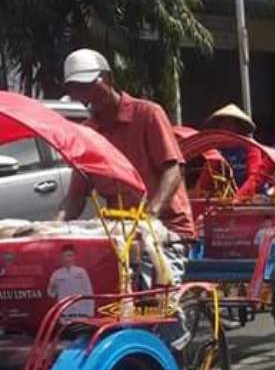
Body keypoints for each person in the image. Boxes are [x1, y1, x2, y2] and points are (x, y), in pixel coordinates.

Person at [60, 49, 194, 241]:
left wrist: (150, 215)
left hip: (167, 228)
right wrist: (51, 227)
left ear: (108, 79)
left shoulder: (148, 114)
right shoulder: (87, 133)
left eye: (89, 85)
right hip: (120, 234)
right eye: (77, 89)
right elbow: (75, 197)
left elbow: (173, 170)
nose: (85, 94)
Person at [199, 103, 263, 199]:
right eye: (222, 124)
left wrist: (238, 198)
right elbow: (206, 179)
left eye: (229, 123)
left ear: (239, 126)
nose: (225, 127)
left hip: (250, 198)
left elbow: (254, 178)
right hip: (225, 198)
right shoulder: (216, 149)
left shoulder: (251, 147)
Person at [47, 244, 94, 320]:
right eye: (64, 256)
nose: (67, 259)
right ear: (61, 258)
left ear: (74, 257)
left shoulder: (81, 272)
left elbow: (88, 292)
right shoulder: (56, 274)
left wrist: (90, 313)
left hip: (81, 312)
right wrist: (53, 286)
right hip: (65, 313)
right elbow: (51, 294)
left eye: (70, 256)